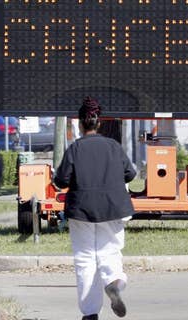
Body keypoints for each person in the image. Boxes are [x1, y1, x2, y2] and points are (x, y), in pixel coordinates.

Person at [54, 97, 136, 320]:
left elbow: (61, 180)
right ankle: (113, 282)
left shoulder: (75, 149)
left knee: (85, 259)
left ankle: (90, 313)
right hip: (113, 207)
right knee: (110, 251)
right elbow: (131, 174)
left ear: (81, 124)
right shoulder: (113, 146)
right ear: (99, 123)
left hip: (82, 210)